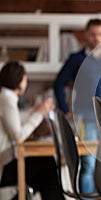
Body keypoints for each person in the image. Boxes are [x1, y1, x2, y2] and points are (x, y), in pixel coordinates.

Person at [53, 18, 101, 193]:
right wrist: (65, 110)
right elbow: (58, 84)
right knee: (88, 163)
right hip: (85, 118)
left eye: (100, 34)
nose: (96, 38)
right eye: (93, 34)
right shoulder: (76, 59)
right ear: (86, 36)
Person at [0, 61, 64, 200]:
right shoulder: (7, 98)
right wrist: (39, 113)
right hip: (3, 166)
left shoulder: (5, 97)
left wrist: (35, 111)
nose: (26, 82)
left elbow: (14, 126)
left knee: (43, 170)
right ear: (18, 79)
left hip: (5, 162)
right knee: (46, 165)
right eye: (25, 78)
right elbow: (18, 136)